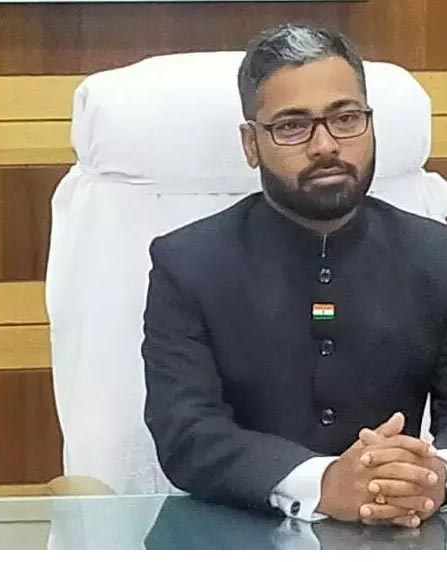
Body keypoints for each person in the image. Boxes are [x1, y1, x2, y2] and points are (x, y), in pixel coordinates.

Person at [143, 23, 447, 528]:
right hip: (238, 533)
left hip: (404, 530)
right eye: (292, 126)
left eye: (346, 118)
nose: (325, 145)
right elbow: (186, 433)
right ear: (251, 144)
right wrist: (320, 483)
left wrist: (431, 476)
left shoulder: (437, 255)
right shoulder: (188, 264)